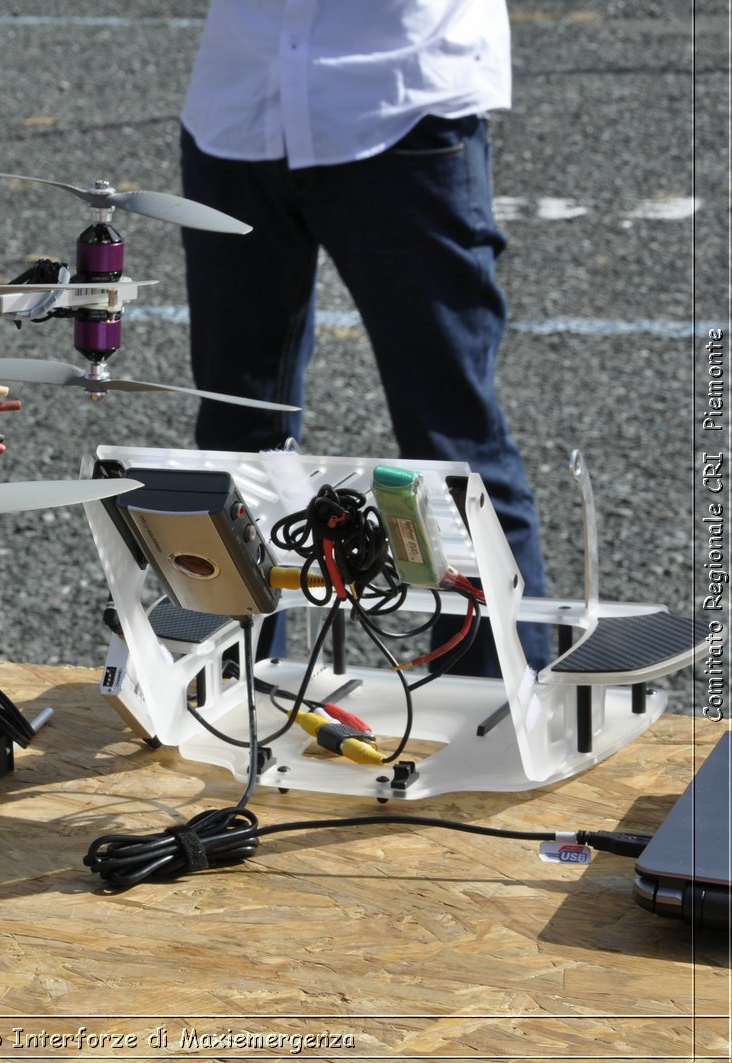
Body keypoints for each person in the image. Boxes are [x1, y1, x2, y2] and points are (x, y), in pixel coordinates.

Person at [179, 0, 550, 674]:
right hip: (241, 104)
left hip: (399, 104)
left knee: (454, 445)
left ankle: (501, 722)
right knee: (235, 441)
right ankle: (246, 706)